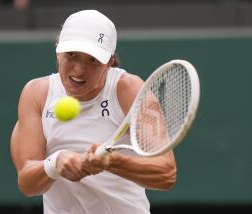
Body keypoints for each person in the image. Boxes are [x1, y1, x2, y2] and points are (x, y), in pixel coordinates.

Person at [11, 9, 176, 214]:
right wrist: (56, 162)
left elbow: (166, 173)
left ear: (109, 63)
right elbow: (28, 184)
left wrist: (111, 162)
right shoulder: (36, 94)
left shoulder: (129, 90)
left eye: (93, 60)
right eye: (72, 55)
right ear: (57, 50)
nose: (79, 70)